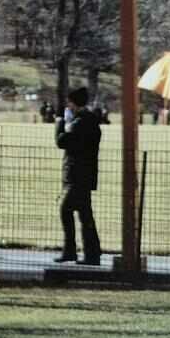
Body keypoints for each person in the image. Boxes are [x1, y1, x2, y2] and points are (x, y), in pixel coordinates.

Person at [54, 86, 102, 265]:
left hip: (76, 176)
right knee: (84, 214)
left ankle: (71, 250)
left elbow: (61, 141)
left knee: (66, 210)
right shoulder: (90, 121)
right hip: (86, 175)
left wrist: (60, 123)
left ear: (74, 103)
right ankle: (92, 253)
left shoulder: (79, 123)